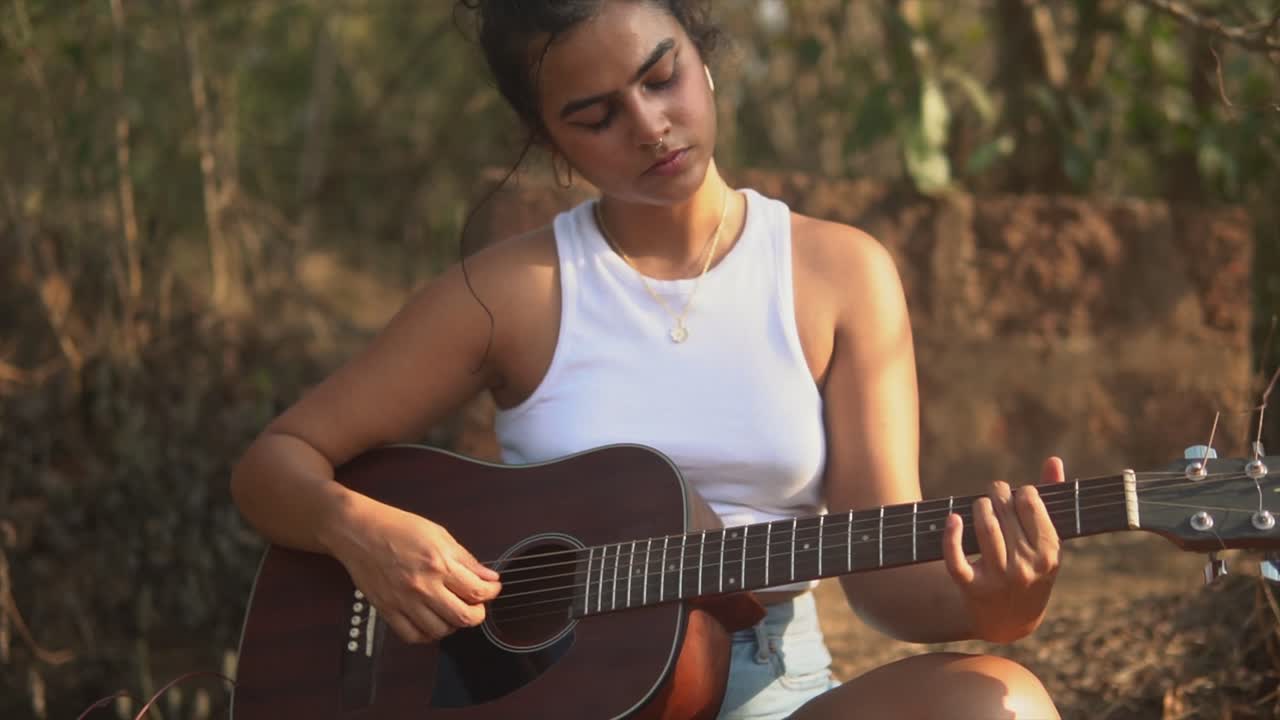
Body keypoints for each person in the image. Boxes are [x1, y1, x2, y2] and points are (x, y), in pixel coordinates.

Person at [229, 1, 1066, 717]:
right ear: (549, 138)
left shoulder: (839, 273)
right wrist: (361, 530)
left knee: (1003, 703)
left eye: (661, 78)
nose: (648, 126)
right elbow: (274, 465)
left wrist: (1002, 603)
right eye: (595, 116)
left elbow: (886, 583)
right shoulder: (513, 292)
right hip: (545, 701)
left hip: (767, 690)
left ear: (705, 59)